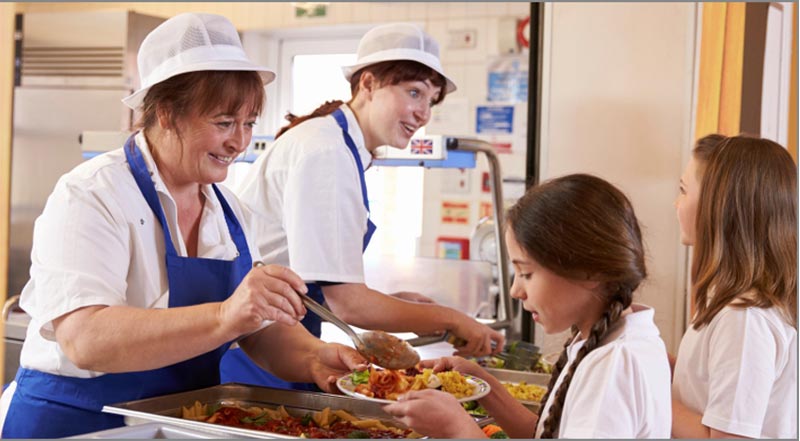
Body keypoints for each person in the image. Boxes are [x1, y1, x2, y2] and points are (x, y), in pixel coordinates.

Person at [0, 13, 366, 438]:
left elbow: (258, 329)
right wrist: (226, 314)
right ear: (167, 113)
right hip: (78, 422)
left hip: (174, 424)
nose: (240, 142)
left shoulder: (229, 210)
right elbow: (85, 340)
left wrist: (315, 357)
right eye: (224, 123)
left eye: (248, 124)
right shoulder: (92, 194)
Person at [226, 22, 504, 388]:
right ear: (368, 84)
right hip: (262, 350)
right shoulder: (326, 151)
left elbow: (319, 280)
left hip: (283, 336)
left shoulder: (340, 145)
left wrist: (394, 303)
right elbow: (350, 305)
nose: (424, 113)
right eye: (415, 92)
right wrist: (451, 318)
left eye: (431, 100)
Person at [383, 174, 672, 438]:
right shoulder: (606, 341)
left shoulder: (614, 365)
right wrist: (482, 384)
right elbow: (546, 434)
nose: (515, 290)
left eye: (527, 274)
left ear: (589, 272)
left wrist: (458, 429)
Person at [671, 135, 797, 438]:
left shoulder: (744, 319)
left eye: (683, 190)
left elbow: (728, 437)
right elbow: (707, 386)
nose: (676, 202)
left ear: (718, 206)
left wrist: (646, 390)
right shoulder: (728, 305)